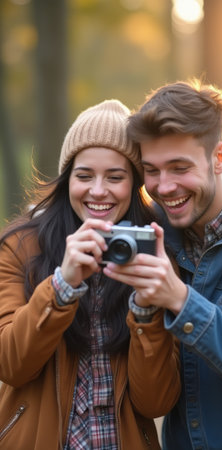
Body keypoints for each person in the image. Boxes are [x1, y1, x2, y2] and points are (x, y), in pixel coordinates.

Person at [0, 99, 181, 450]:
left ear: (135, 184)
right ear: (68, 179)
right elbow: (10, 365)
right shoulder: (21, 248)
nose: (98, 191)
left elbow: (155, 403)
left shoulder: (155, 257)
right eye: (84, 176)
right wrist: (61, 285)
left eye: (115, 177)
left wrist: (146, 312)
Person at [103, 79, 222, 450]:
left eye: (179, 167)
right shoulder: (148, 232)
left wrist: (180, 299)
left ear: (219, 158)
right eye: (151, 170)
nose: (164, 186)